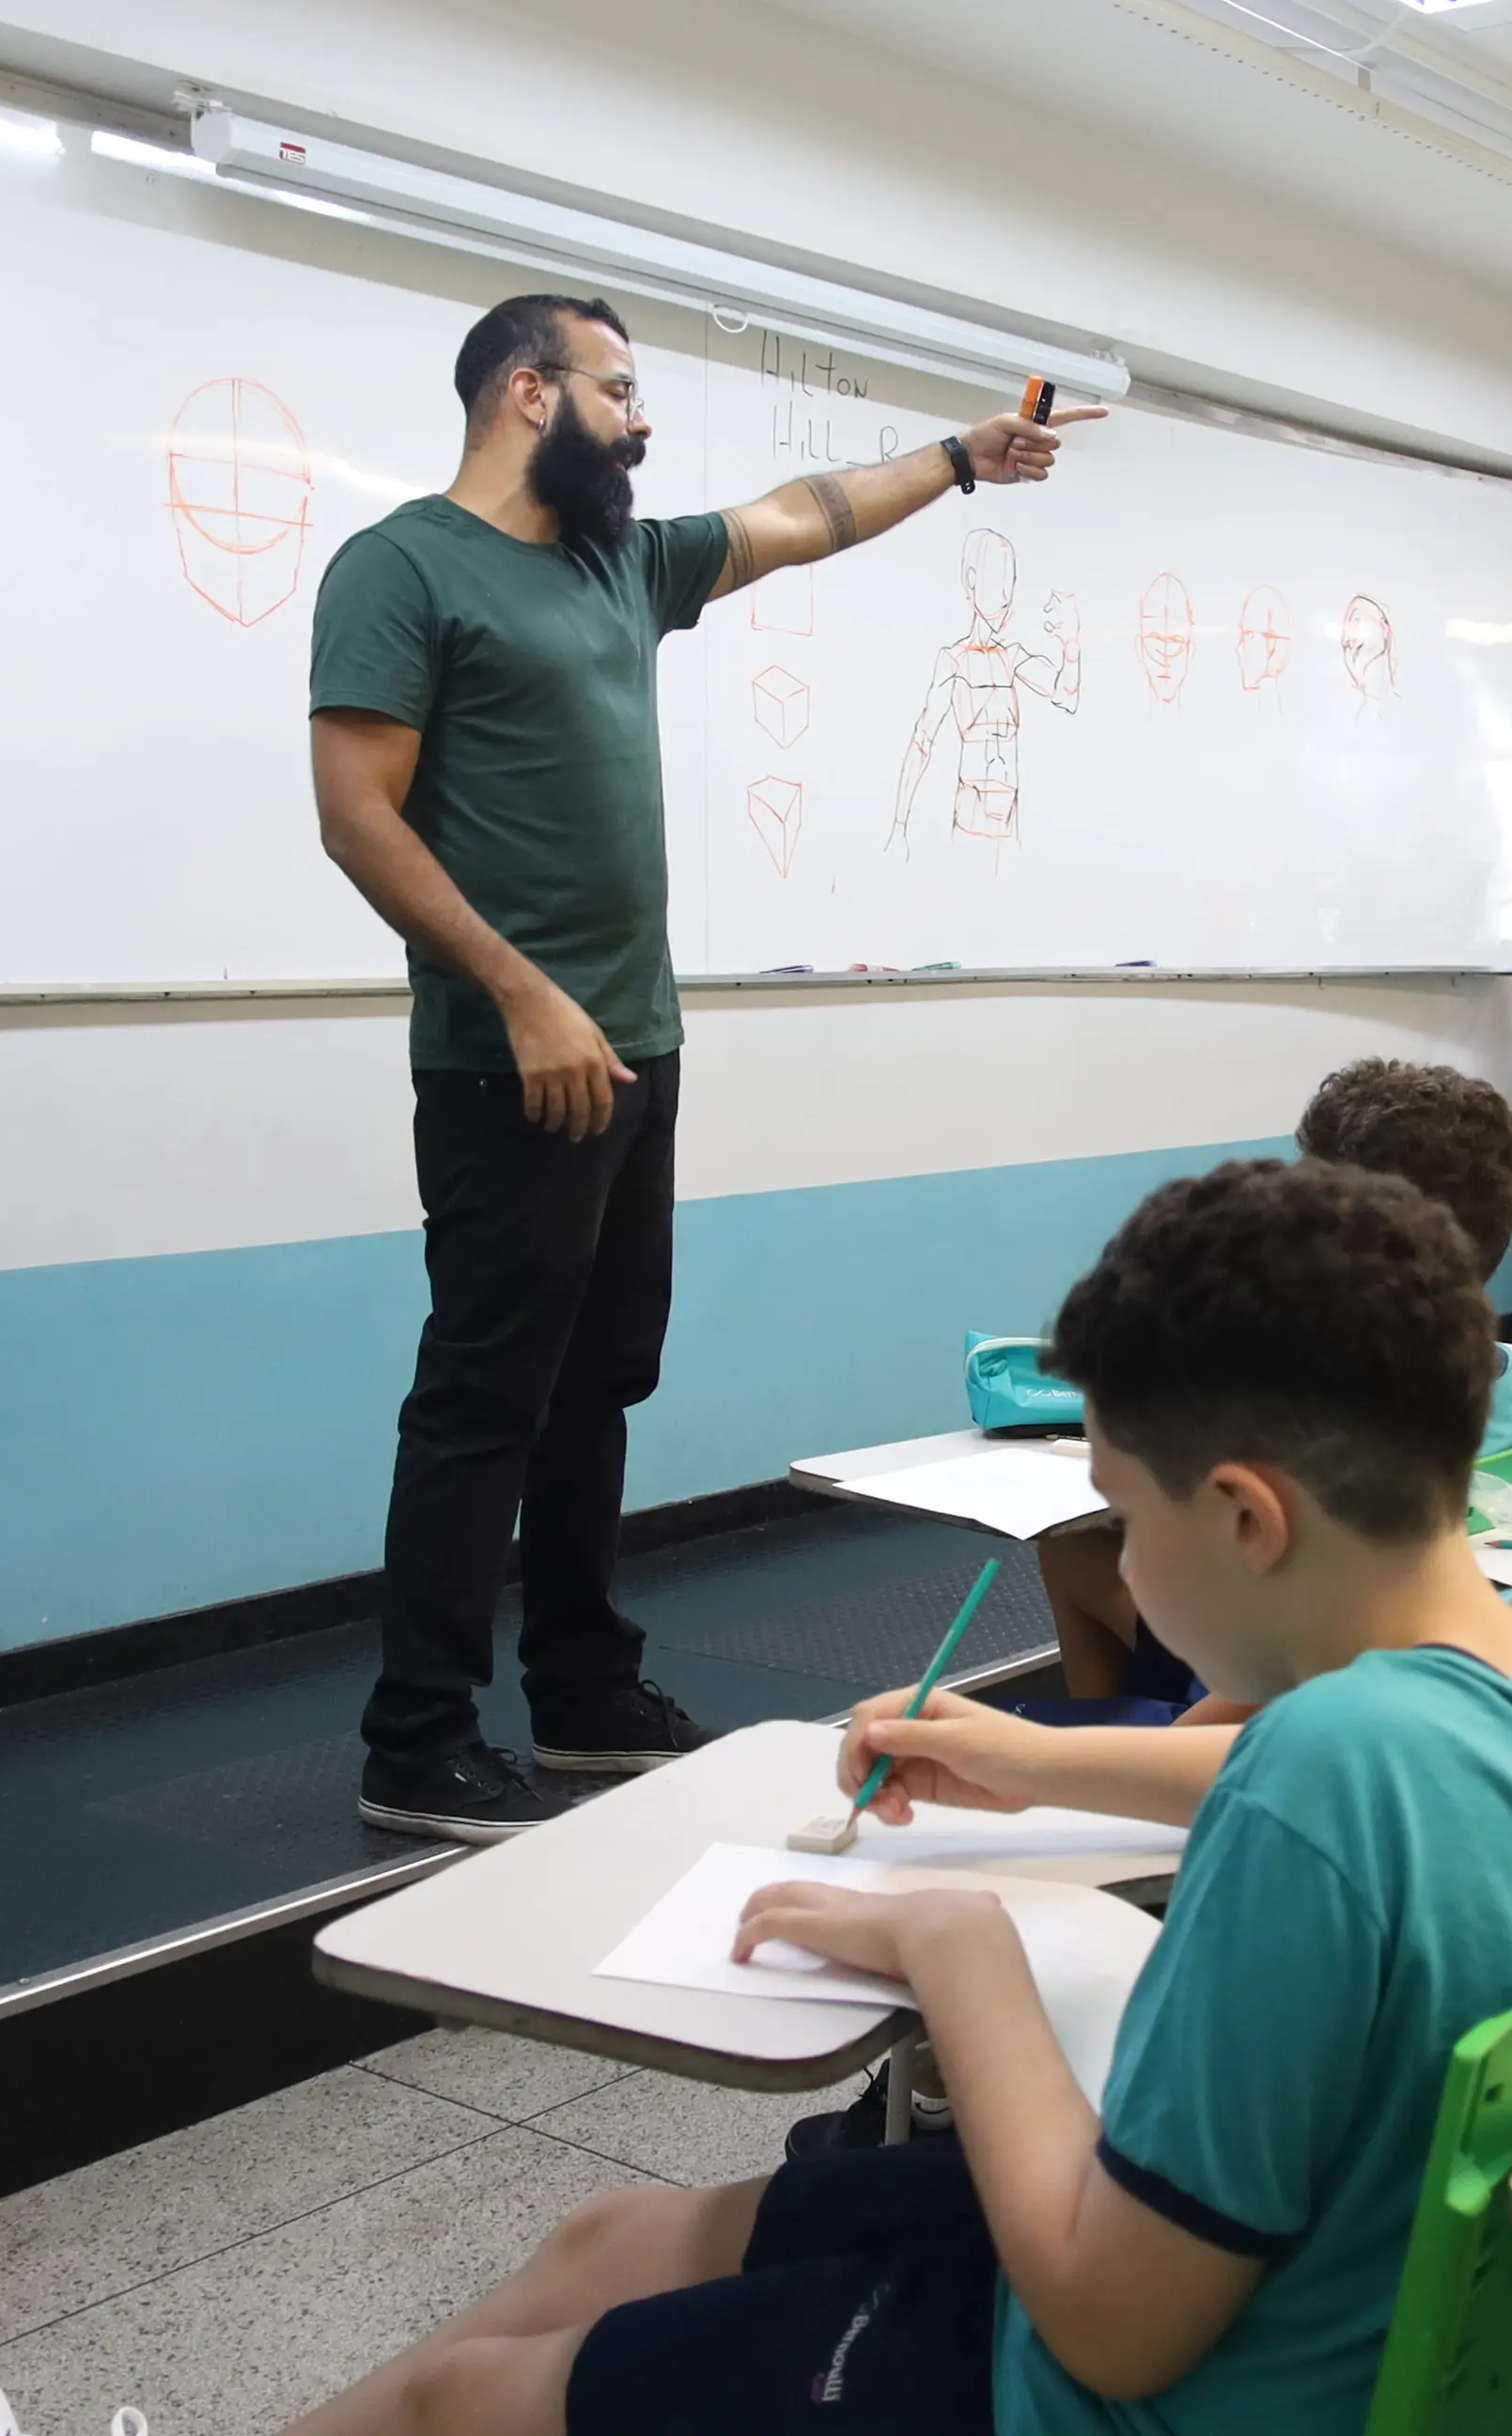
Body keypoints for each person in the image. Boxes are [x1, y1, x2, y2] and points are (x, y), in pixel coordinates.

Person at [0, 1159, 1512, 2436]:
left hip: (1137, 2389)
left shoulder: (1325, 1786)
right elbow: (1316, 1782)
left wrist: (958, 1951)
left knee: (470, 2399)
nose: (1121, 1569)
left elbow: (1111, 2325)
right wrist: (1035, 1760)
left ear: (1243, 1516)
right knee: (607, 2238)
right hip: (1336, 2318)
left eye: (1118, 1517)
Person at [312, 293, 1102, 1839]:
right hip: (506, 1059)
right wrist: (520, 992)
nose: (642, 418)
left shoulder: (616, 561)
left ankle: (583, 1693)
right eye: (619, 389)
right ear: (527, 393)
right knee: (484, 1399)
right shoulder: (402, 567)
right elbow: (356, 813)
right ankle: (416, 1742)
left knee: (598, 1385)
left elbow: (801, 515)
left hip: (635, 1047)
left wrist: (960, 458)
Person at [1042, 1058, 1512, 1716]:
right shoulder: (1491, 1383)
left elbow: (1287, 1699)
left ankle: (1112, 1722)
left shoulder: (1333, 1427)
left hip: (1296, 1673)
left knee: (1075, 1553)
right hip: (1451, 1652)